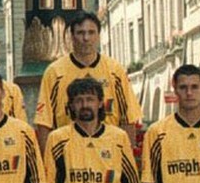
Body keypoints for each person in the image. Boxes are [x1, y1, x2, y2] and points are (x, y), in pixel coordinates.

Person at [32, 12, 140, 154]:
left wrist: (126, 155)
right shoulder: (54, 72)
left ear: (98, 36)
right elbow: (44, 123)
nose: (86, 38)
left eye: (91, 32)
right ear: (71, 36)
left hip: (108, 153)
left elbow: (128, 119)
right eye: (80, 33)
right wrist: (49, 163)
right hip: (70, 154)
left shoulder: (115, 71)